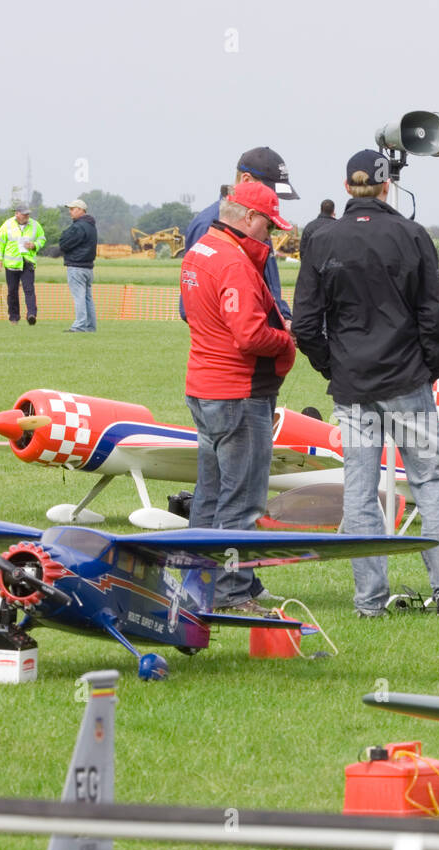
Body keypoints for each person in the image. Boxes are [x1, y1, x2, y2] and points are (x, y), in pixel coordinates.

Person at [292, 149, 439, 620]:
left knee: (360, 493)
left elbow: (305, 323)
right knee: (431, 486)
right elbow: (432, 316)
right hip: (407, 383)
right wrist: (425, 369)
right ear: (387, 188)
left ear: (347, 188)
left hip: (354, 389)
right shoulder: (412, 235)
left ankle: (370, 601)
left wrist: (333, 367)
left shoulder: (322, 240)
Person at [179, 181, 297, 614]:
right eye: (269, 225)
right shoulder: (232, 262)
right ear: (249, 218)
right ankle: (230, 591)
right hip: (239, 393)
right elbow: (248, 335)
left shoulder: (201, 250)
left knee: (209, 494)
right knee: (243, 497)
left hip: (205, 386)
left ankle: (197, 582)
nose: (272, 235)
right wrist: (286, 341)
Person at [182, 147, 298, 324]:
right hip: (237, 342)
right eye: (271, 191)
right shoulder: (207, 224)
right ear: (246, 179)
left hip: (262, 335)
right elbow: (193, 305)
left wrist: (284, 319)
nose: (274, 201)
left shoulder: (260, 223)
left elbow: (269, 287)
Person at [0, 207, 46, 325]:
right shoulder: (7, 225)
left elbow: (42, 238)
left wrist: (35, 245)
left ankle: (31, 315)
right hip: (12, 264)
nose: (27, 217)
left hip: (28, 262)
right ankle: (14, 318)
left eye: (28, 214)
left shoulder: (35, 225)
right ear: (17, 214)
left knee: (29, 290)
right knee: (12, 291)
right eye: (24, 214)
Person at [59, 199, 98, 332]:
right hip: (88, 267)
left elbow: (64, 243)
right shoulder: (91, 226)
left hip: (76, 266)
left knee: (79, 297)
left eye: (73, 209)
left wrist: (63, 238)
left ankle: (79, 326)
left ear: (81, 210)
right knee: (88, 298)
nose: (70, 212)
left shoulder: (78, 226)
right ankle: (90, 326)